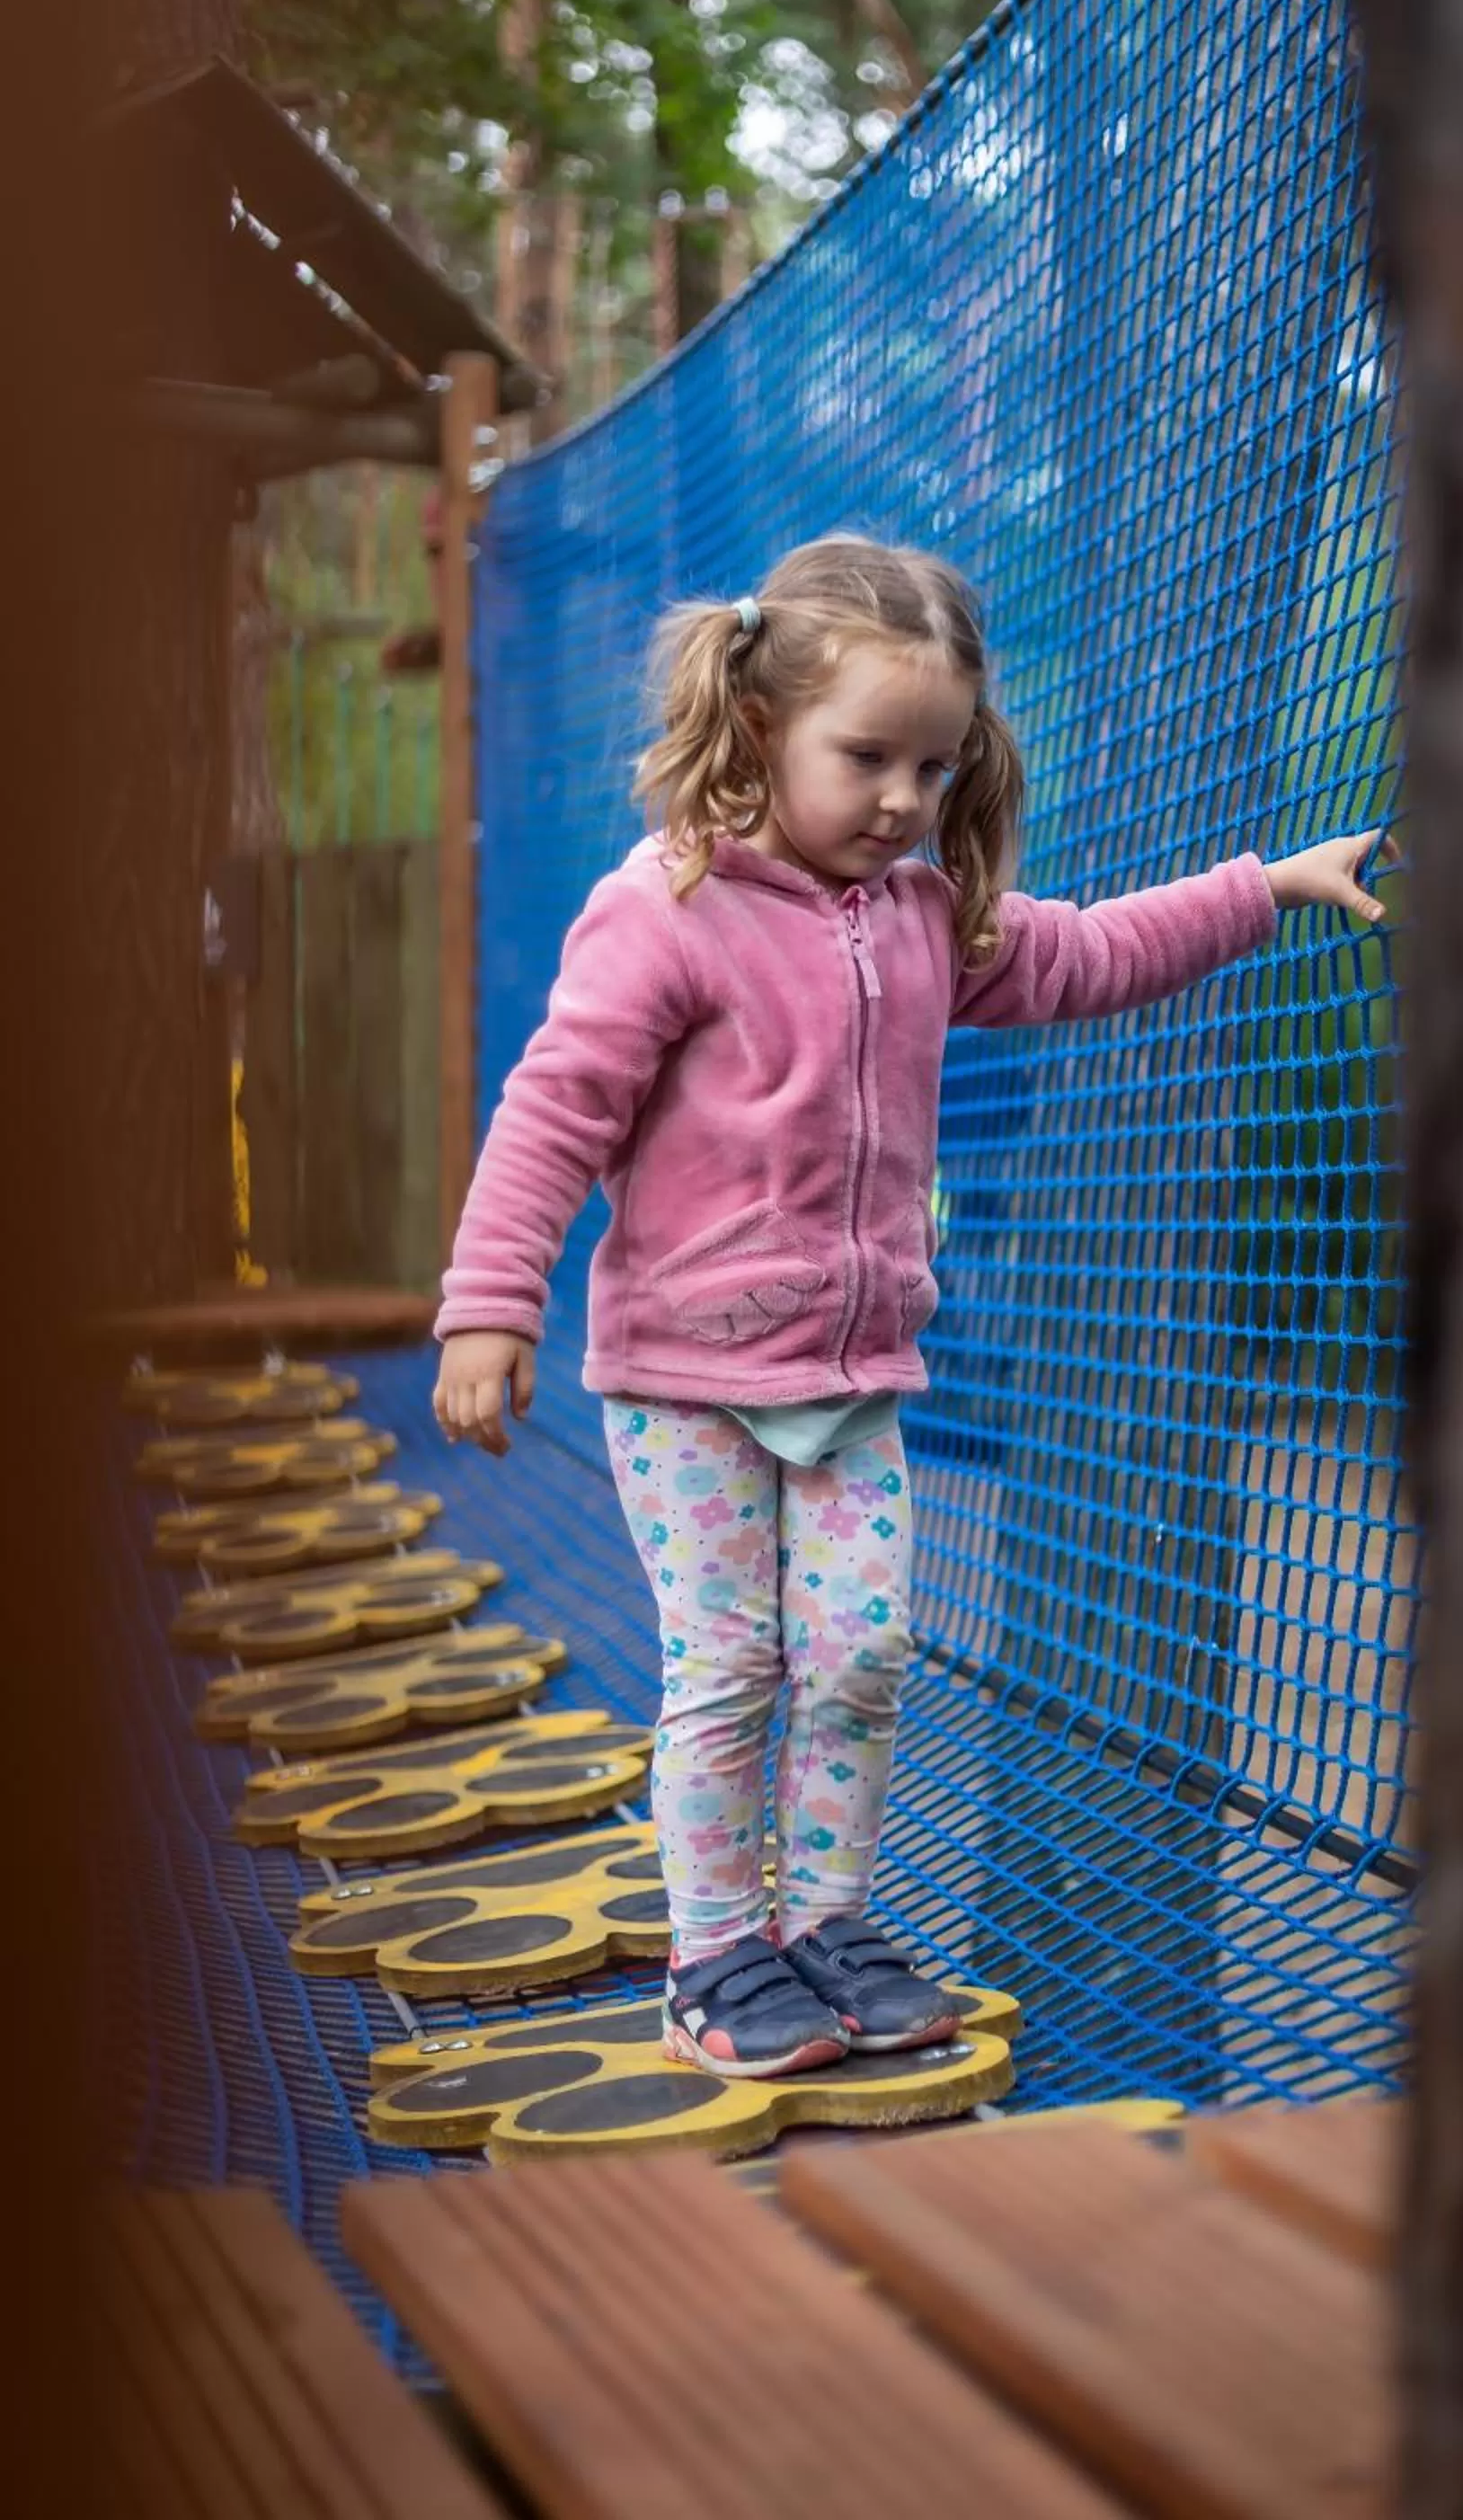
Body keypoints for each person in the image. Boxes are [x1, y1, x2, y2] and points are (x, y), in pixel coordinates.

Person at [433, 534, 1394, 2079]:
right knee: (732, 1664)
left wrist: (1262, 888)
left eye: (934, 768)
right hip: (683, 1379)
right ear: (760, 729)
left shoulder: (920, 913)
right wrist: (491, 1304)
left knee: (866, 1655)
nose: (901, 798)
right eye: (866, 757)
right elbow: (557, 1109)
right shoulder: (667, 907)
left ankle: (825, 1923)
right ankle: (715, 1956)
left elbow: (1087, 952)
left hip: (856, 1371)